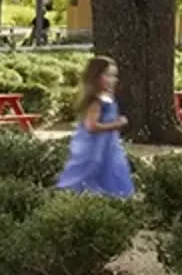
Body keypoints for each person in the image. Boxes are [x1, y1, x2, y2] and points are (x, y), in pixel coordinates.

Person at [56, 57, 134, 198]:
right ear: (96, 77)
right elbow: (91, 126)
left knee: (113, 170)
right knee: (92, 172)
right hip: (95, 146)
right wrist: (117, 124)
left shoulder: (107, 98)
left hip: (109, 145)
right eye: (108, 76)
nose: (113, 80)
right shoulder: (96, 101)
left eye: (114, 76)